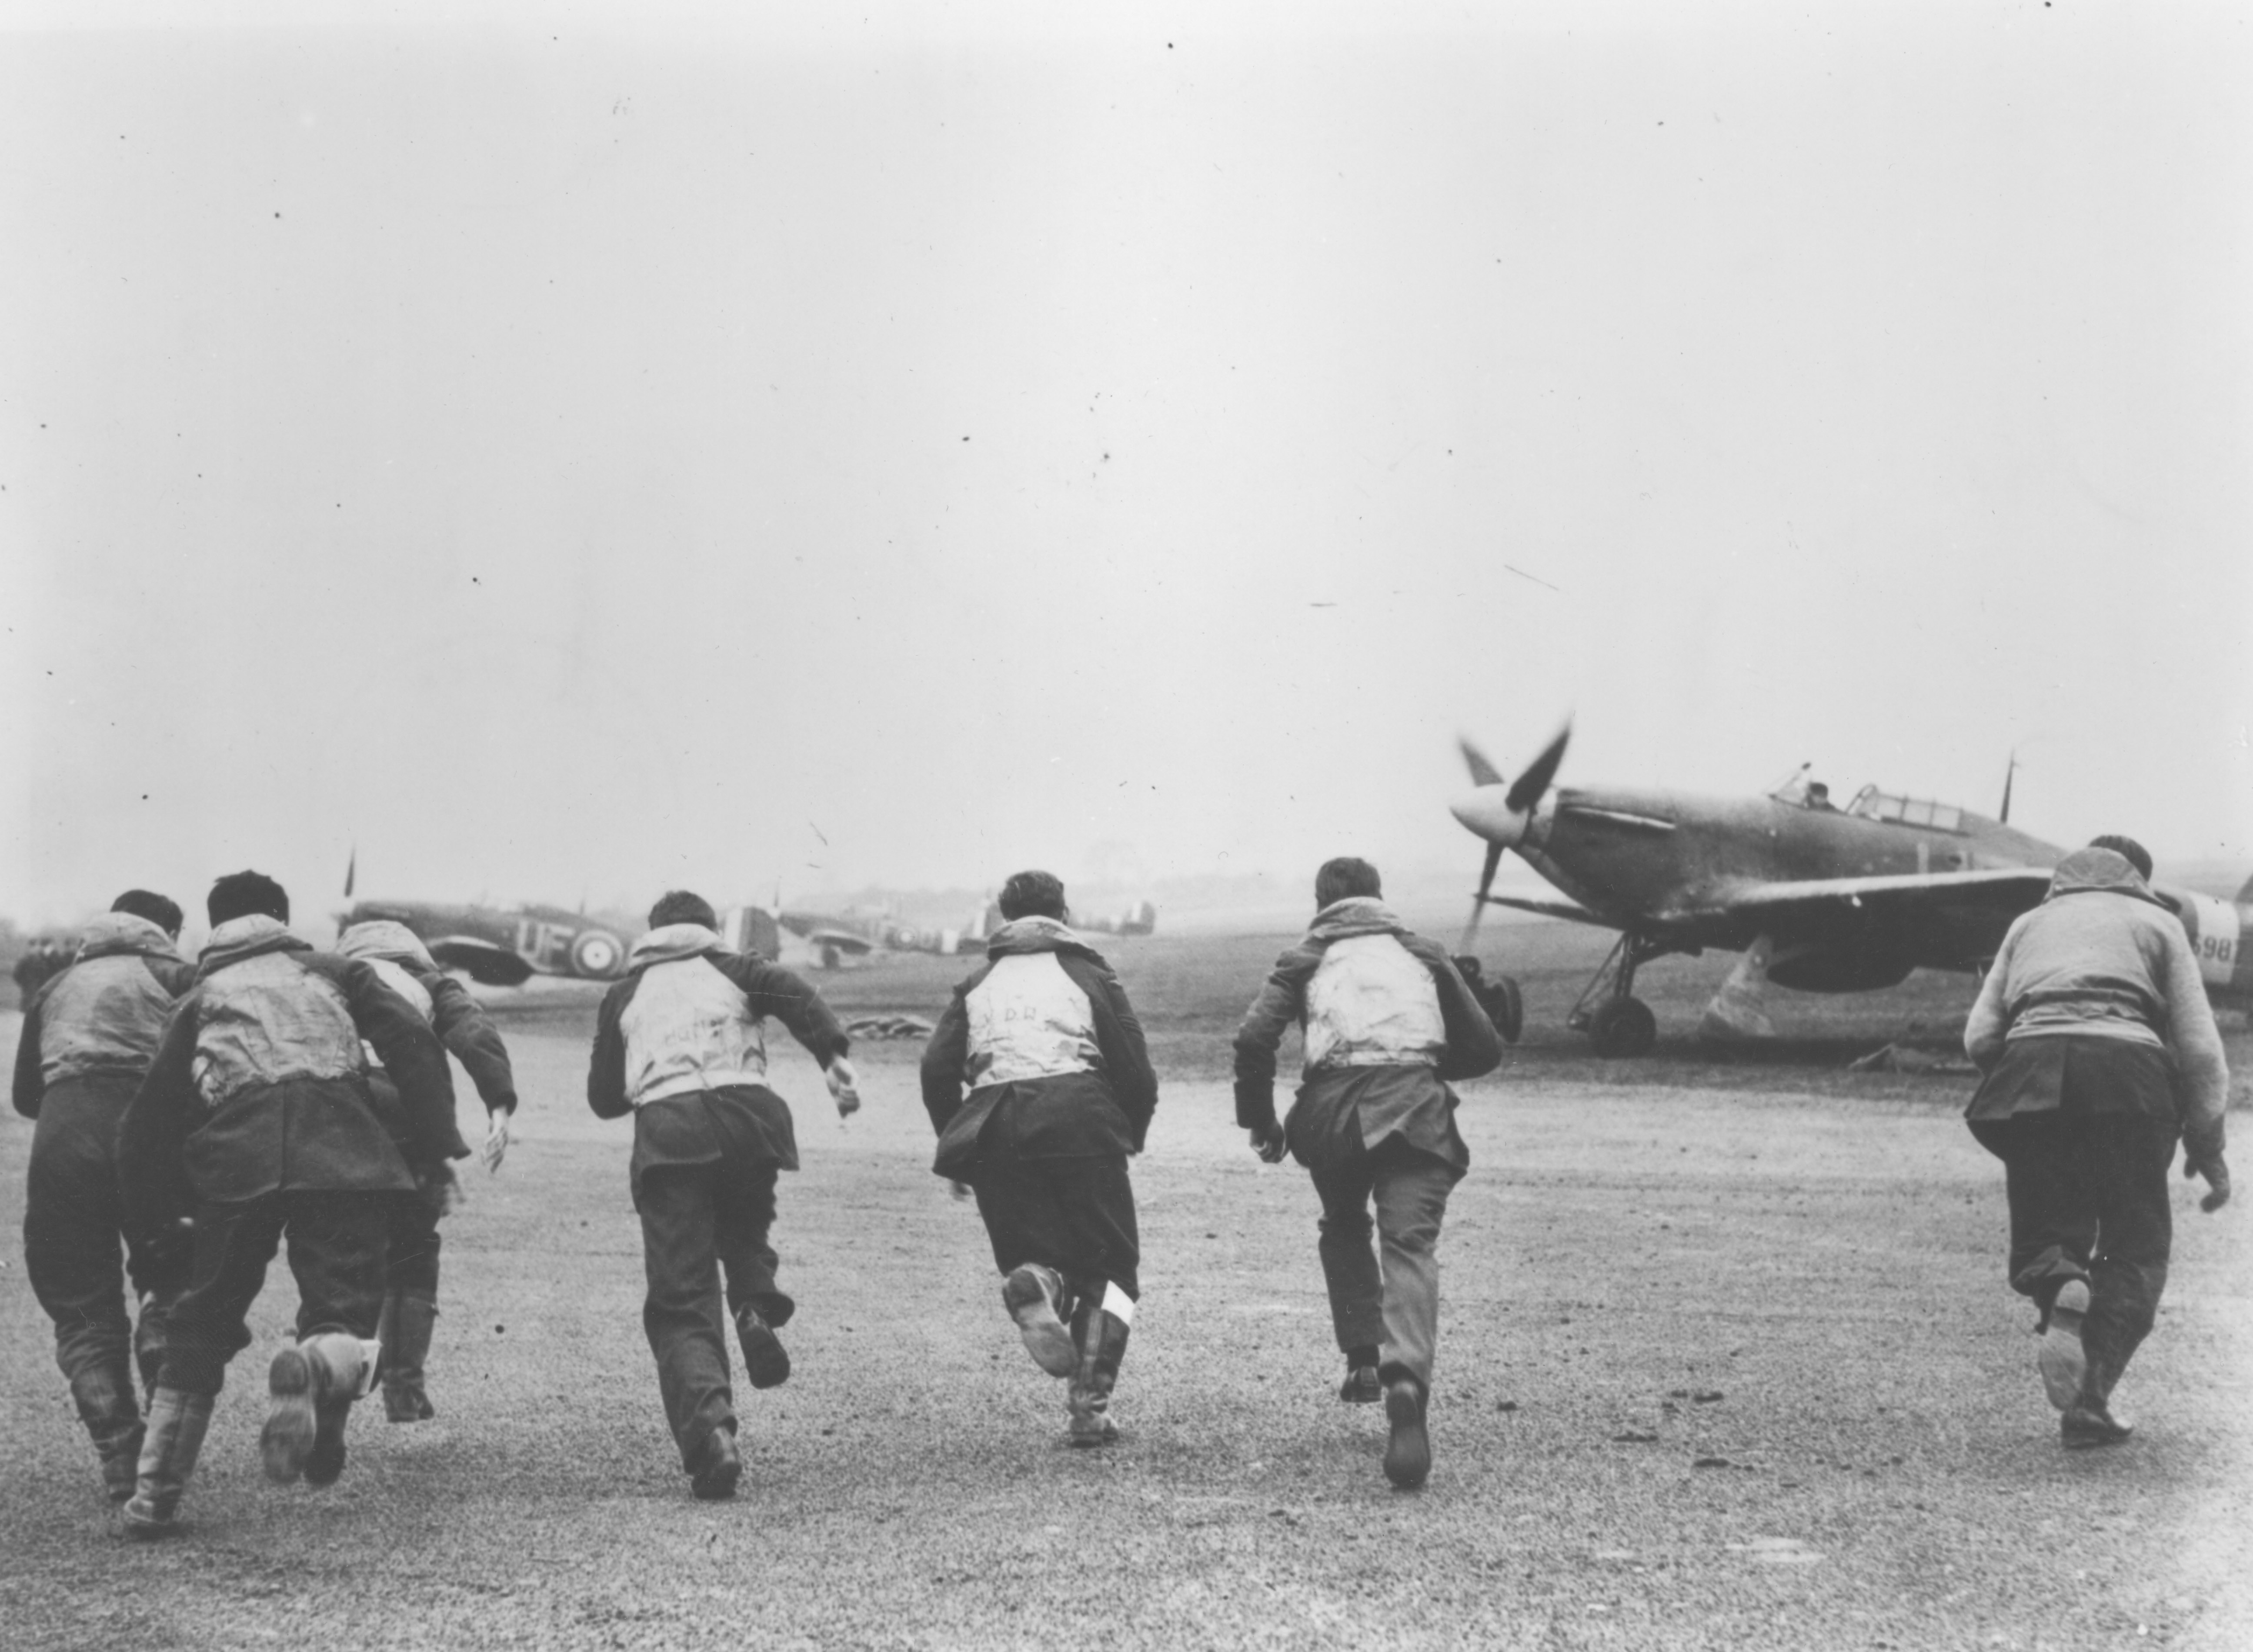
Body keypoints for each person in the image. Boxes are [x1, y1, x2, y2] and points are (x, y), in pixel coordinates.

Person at [115, 871, 466, 1536]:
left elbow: (148, 1121)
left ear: (214, 927)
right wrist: (436, 1146)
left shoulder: (199, 995)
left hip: (235, 1161)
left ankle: (153, 1498)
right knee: (343, 1314)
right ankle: (311, 1364)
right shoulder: (337, 972)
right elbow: (413, 1047)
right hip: (343, 1154)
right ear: (282, 917)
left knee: (203, 1320)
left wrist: (159, 1219)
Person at [1233, 857, 1502, 1489]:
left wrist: (1262, 1123)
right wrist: (1426, 1063)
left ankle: (1360, 1359)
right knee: (1409, 1243)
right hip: (1416, 1109)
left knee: (1344, 1222)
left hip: (1332, 1115)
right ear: (1380, 898)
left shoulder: (1302, 958)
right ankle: (1404, 1376)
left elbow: (1252, 1040)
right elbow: (1485, 1047)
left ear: (1320, 902)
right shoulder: (1423, 953)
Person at [586, 890, 860, 1501]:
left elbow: (605, 1098)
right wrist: (832, 1056)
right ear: (709, 930)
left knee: (681, 1296)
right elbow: (795, 993)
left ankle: (712, 1434)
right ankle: (754, 1306)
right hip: (751, 1119)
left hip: (671, 1134)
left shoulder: (624, 994)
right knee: (746, 1230)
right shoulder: (739, 969)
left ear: (652, 934)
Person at [1964, 837, 2230, 1448]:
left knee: (2047, 1231)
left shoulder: (2029, 922)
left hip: (2032, 1072)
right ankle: (2091, 1402)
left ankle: (2060, 1282)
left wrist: (2028, 1082)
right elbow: (2199, 1050)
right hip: (2130, 1081)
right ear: (2139, 876)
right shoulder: (2158, 921)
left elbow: (1980, 1037)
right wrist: (2207, 1145)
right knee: (2135, 1246)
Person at [920, 870, 1158, 1447]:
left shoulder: (976, 983)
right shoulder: (1089, 974)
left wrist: (958, 1145)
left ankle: (1037, 1282)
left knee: (1041, 1255)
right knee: (1112, 1269)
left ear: (1005, 917)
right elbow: (1136, 1072)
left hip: (995, 1127)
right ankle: (1089, 1407)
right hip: (1081, 1120)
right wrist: (1127, 1133)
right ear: (1065, 913)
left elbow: (934, 1069)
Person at [11, 892, 196, 1502]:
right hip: (152, 1133)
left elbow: (25, 1097)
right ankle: (158, 1332)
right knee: (171, 1278)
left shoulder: (58, 984)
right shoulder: (180, 977)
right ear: (167, 929)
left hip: (64, 1136)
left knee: (82, 1306)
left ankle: (119, 1454)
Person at [336, 919, 518, 1422]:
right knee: (414, 1245)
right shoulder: (430, 982)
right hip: (410, 1116)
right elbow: (474, 1033)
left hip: (339, 1115)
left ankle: (334, 1371)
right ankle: (405, 1388)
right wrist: (498, 1105)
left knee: (341, 1248)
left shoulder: (330, 976)